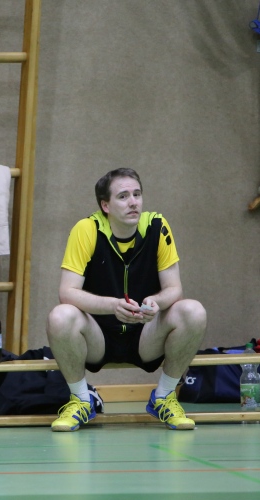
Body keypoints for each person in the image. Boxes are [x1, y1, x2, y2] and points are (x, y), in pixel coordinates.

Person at [47, 168, 207, 431]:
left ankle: (164, 397)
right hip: (97, 337)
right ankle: (81, 400)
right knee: (60, 315)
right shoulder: (86, 230)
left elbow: (174, 289)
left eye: (137, 194)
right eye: (123, 196)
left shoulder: (157, 227)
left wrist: (156, 303)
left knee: (193, 311)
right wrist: (112, 306)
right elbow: (67, 292)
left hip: (146, 335)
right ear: (105, 205)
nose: (133, 202)